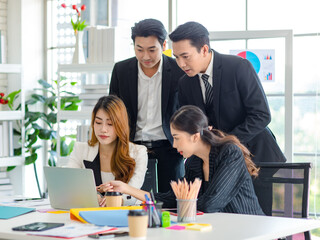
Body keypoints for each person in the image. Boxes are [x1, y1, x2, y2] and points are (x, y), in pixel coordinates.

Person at [168, 21, 286, 215]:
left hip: (258, 159)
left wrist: (225, 143)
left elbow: (261, 114)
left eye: (185, 56)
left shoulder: (239, 67)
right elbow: (193, 126)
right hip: (219, 164)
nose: (180, 64)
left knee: (261, 220)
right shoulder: (185, 83)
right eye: (176, 57)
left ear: (204, 49)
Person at [99, 105, 264, 215]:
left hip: (248, 228)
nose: (174, 144)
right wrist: (126, 188)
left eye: (177, 138)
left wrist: (181, 204)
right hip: (220, 229)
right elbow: (173, 197)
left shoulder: (229, 153)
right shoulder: (194, 161)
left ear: (195, 136)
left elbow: (210, 204)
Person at [109, 18, 185, 192]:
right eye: (139, 49)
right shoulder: (121, 70)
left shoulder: (178, 71)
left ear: (164, 45)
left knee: (171, 205)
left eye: (152, 50)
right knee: (130, 201)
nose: (145, 56)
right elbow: (113, 112)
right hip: (131, 150)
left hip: (170, 150)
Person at [68, 95, 148, 206]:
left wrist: (117, 199)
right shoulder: (81, 149)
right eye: (98, 123)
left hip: (125, 215)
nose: (103, 130)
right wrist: (92, 196)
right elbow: (69, 183)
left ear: (121, 125)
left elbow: (133, 192)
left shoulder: (139, 152)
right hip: (89, 213)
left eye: (110, 124)